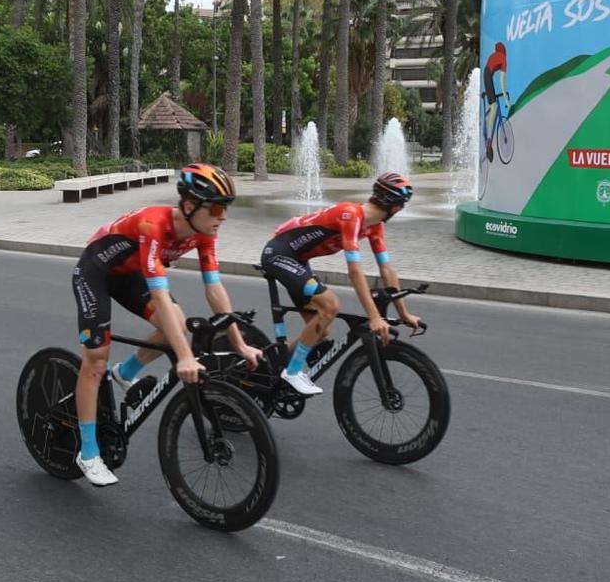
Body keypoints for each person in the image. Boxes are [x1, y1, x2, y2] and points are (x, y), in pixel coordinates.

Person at [69, 163, 263, 488]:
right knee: (96, 359)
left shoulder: (204, 233)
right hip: (96, 273)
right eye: (216, 208)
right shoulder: (153, 225)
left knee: (178, 323)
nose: (223, 216)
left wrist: (239, 343)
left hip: (129, 276)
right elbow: (159, 296)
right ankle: (88, 453)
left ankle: (126, 372)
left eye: (226, 208)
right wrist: (184, 356)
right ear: (189, 206)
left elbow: (214, 289)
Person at [259, 172, 423, 396]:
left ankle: (272, 367)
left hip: (297, 260)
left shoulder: (374, 227)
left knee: (321, 330)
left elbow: (386, 269)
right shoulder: (351, 215)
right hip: (277, 255)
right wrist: (374, 317)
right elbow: (354, 271)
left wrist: (404, 313)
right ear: (396, 207)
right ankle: (293, 371)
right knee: (330, 306)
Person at [481, 41, 509, 162]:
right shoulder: (503, 58)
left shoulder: (494, 55)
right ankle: (489, 141)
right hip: (488, 76)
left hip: (487, 75)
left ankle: (486, 119)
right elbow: (502, 80)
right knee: (495, 107)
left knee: (493, 104)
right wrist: (506, 98)